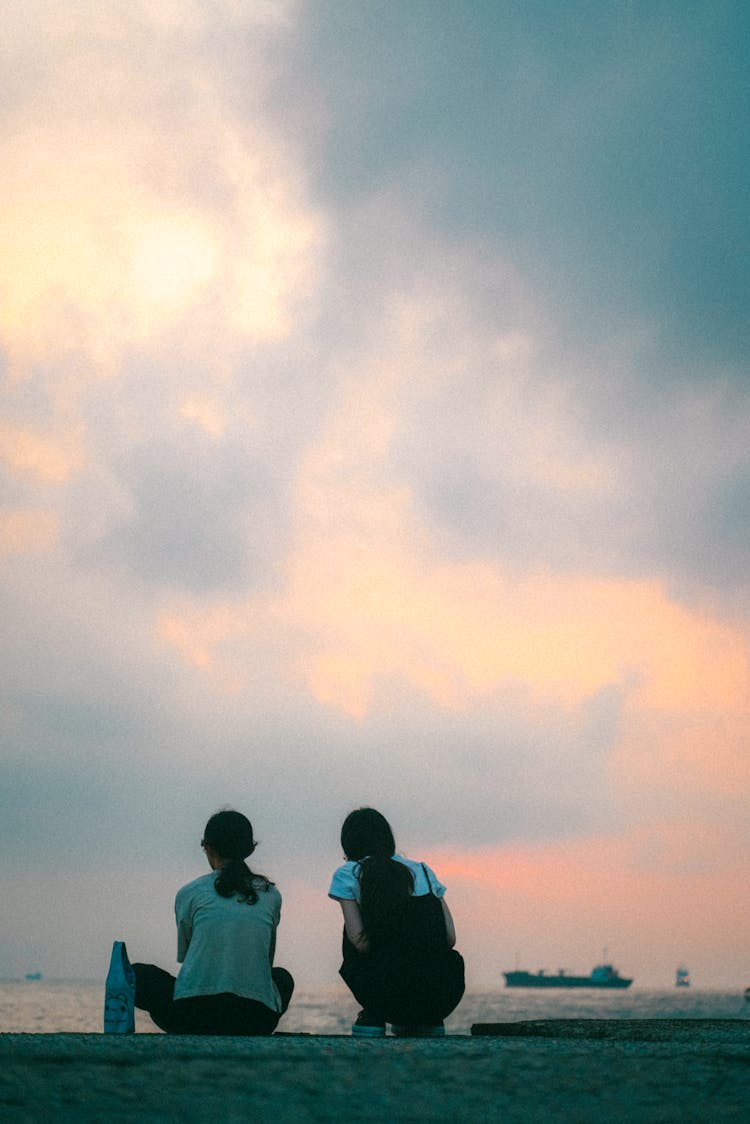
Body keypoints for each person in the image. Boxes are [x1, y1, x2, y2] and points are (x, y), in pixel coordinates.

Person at [132, 809, 294, 1035]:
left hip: (193, 1016)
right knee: (283, 978)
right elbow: (265, 964)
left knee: (135, 974)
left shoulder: (189, 893)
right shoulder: (271, 895)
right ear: (249, 849)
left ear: (207, 847)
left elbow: (189, 957)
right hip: (255, 1019)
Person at [328, 807, 465, 1037]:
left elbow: (360, 942)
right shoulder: (423, 870)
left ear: (348, 844)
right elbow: (449, 938)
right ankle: (423, 1020)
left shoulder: (349, 873)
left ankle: (373, 1016)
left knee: (350, 929)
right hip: (438, 995)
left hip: (384, 994)